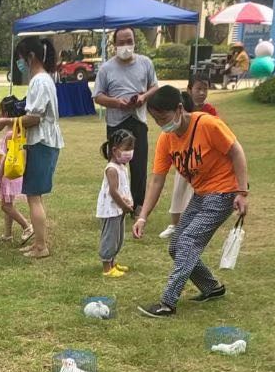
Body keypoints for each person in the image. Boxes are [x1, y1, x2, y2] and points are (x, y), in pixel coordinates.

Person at [132, 84, 250, 318]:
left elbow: (236, 151)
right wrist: (142, 217)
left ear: (178, 109)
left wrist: (242, 192)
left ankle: (168, 303)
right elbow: (157, 181)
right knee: (176, 246)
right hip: (202, 193)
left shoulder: (207, 124)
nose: (161, 124)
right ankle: (212, 288)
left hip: (224, 193)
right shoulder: (166, 140)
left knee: (187, 242)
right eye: (155, 120)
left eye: (163, 117)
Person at [0, 36, 63, 261]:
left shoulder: (40, 82)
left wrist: (6, 122)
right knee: (34, 196)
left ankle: (41, 246)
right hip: (42, 142)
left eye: (21, 58)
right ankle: (37, 244)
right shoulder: (43, 80)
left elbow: (34, 118)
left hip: (41, 142)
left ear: (30, 57)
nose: (20, 63)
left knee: (34, 197)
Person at [93, 27, 157, 212]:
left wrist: (144, 97)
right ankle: (115, 202)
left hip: (138, 120)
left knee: (139, 165)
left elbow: (154, 86)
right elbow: (97, 96)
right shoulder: (106, 68)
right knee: (115, 165)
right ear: (114, 45)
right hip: (116, 122)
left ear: (135, 41)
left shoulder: (145, 63)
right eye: (121, 42)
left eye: (128, 41)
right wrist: (116, 102)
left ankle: (137, 205)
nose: (125, 46)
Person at [160, 74, 219, 239]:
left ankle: (190, 224)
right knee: (179, 190)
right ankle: (174, 224)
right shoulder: (184, 108)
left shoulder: (210, 111)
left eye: (205, 89)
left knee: (197, 195)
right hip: (184, 157)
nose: (202, 93)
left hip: (202, 160)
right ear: (189, 90)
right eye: (198, 88)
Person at [0, 95, 33, 246]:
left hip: (8, 173)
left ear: (6, 115)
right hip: (13, 171)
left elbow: (8, 155)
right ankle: (7, 234)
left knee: (5, 205)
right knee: (7, 203)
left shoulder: (10, 134)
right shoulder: (19, 130)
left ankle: (27, 226)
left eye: (0, 112)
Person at [97, 128, 135, 279]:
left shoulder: (121, 167)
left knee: (118, 238)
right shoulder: (112, 169)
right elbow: (113, 191)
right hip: (111, 210)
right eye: (127, 149)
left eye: (132, 148)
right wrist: (124, 205)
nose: (130, 152)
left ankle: (113, 262)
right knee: (110, 237)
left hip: (119, 209)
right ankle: (107, 267)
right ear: (115, 150)